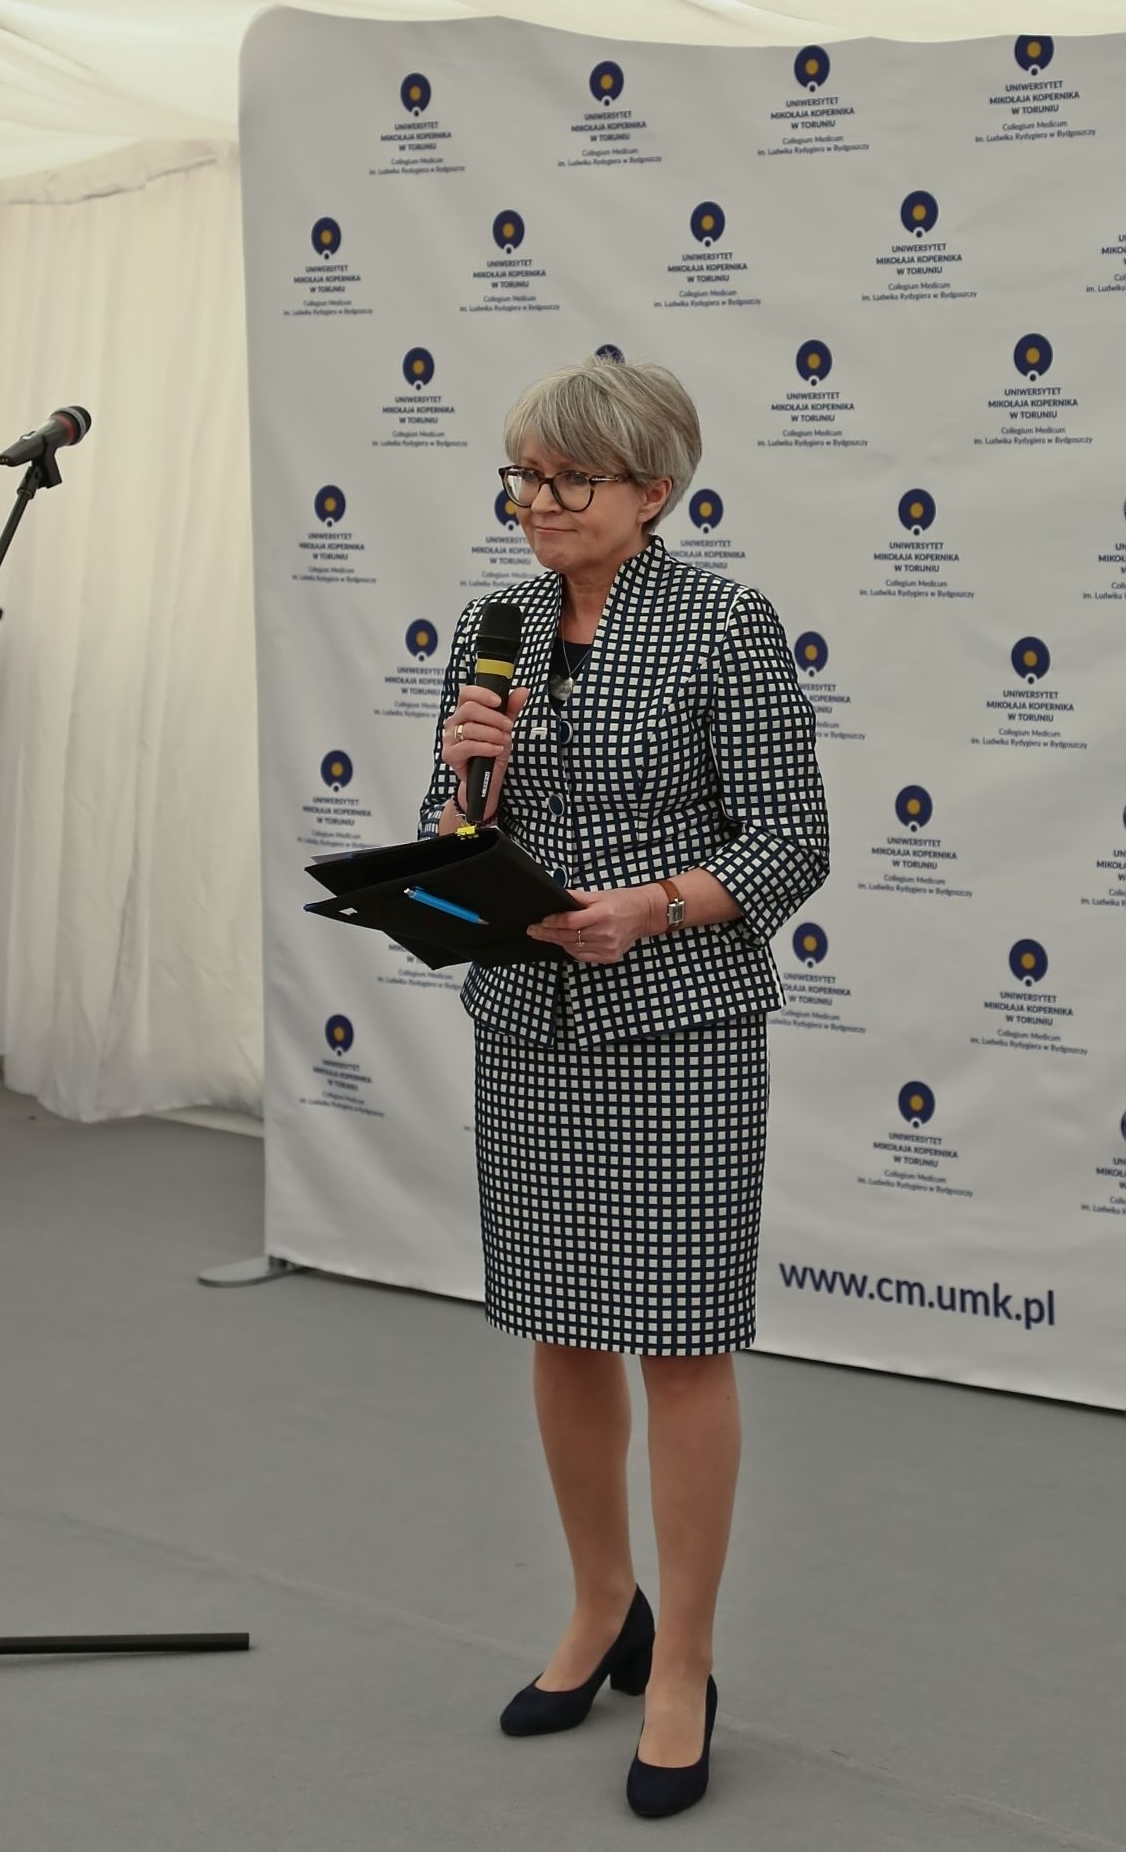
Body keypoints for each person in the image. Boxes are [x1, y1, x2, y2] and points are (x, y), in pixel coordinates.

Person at [417, 355, 829, 1819]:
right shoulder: (499, 627)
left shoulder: (723, 623)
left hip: (677, 1033)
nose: (535, 504)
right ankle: (604, 1607)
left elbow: (789, 840)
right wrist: (468, 785)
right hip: (529, 1023)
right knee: (560, 1328)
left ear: (653, 489)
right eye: (523, 478)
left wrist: (650, 906)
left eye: (566, 480)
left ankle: (685, 1667)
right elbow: (448, 836)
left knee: (681, 1345)